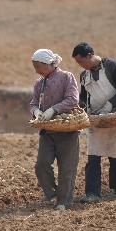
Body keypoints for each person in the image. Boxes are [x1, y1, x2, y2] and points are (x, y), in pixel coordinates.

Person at [72, 42, 116, 203]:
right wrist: (82, 107)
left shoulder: (112, 67)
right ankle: (92, 193)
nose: (81, 65)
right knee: (93, 155)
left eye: (82, 61)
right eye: (78, 63)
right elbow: (84, 96)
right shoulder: (84, 75)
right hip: (96, 118)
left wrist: (109, 106)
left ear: (90, 55)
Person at [29, 49, 80, 210]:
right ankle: (52, 194)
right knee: (41, 165)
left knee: (66, 168)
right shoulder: (39, 83)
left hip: (67, 130)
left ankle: (64, 201)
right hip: (47, 132)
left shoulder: (66, 77)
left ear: (47, 64)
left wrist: (53, 110)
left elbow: (73, 99)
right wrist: (36, 111)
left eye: (37, 66)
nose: (36, 70)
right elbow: (33, 103)